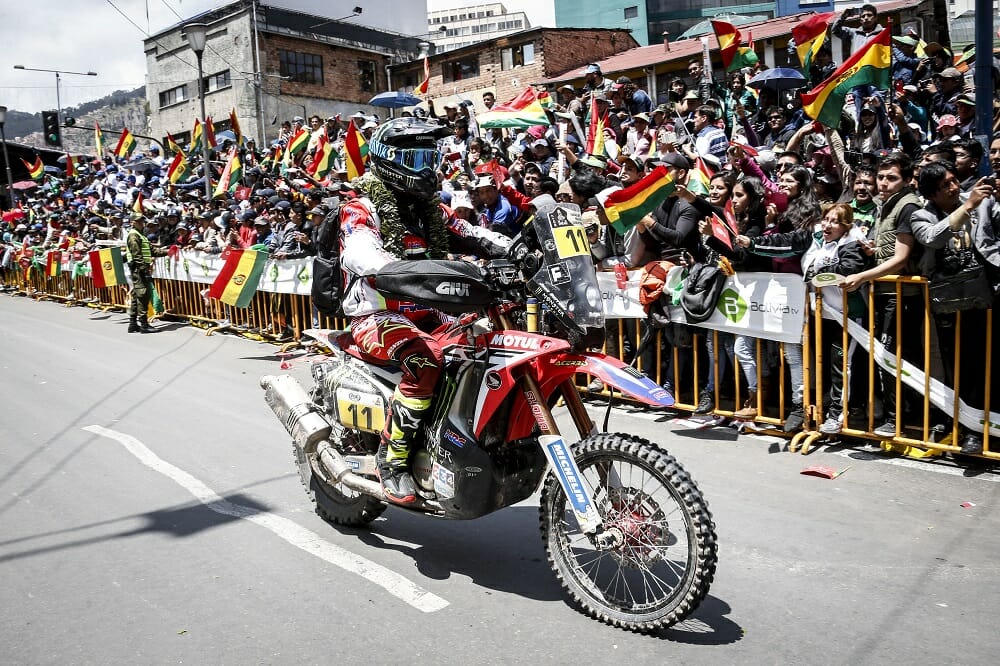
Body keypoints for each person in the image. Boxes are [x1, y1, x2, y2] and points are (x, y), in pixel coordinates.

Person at [339, 117, 453, 504]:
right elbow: (358, 248)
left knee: (482, 342)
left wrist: (518, 248)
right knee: (426, 360)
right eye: (415, 157)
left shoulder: (429, 210)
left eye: (430, 156)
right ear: (388, 158)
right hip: (376, 315)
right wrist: (391, 266)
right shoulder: (362, 206)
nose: (425, 167)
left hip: (426, 310)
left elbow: (472, 235)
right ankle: (393, 459)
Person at [125, 213, 167, 333]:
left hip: (140, 268)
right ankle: (144, 324)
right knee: (143, 295)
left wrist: (168, 251)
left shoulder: (141, 235)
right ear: (132, 222)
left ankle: (133, 323)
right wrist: (144, 271)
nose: (141, 223)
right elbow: (137, 255)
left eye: (142, 221)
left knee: (136, 295)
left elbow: (152, 251)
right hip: (139, 269)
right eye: (138, 221)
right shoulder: (134, 235)